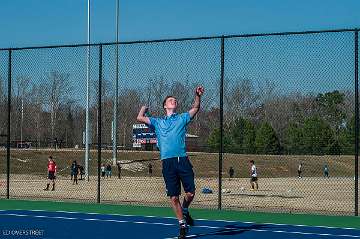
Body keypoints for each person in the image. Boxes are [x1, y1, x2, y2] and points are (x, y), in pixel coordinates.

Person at [136, 86, 204, 239]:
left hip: (182, 160)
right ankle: (182, 225)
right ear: (165, 106)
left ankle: (185, 210)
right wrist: (143, 108)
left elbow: (196, 108)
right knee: (173, 197)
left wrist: (197, 96)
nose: (174, 101)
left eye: (175, 100)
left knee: (190, 193)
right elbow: (139, 117)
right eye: (170, 100)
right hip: (167, 162)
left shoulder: (182, 118)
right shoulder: (157, 122)